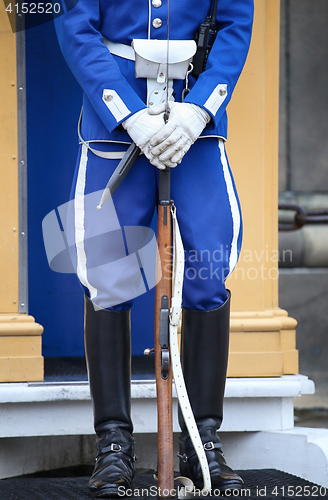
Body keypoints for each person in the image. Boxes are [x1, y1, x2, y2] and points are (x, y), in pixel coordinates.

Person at [54, 0, 254, 497]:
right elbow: (77, 28)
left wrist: (199, 109)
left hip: (194, 123)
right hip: (115, 127)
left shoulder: (197, 115)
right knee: (106, 275)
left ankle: (201, 439)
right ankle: (114, 445)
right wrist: (129, 115)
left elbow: (234, 25)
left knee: (210, 266)